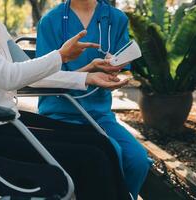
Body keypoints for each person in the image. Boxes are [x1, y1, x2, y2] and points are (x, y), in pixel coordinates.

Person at [0, 0, 132, 199]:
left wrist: (85, 77)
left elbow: (30, 70)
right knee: (91, 157)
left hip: (0, 123)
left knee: (101, 143)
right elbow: (6, 77)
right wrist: (61, 56)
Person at [36, 0, 151, 199]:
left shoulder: (116, 18)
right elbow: (45, 78)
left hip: (100, 115)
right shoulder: (50, 21)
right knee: (111, 153)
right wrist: (89, 71)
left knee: (137, 160)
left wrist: (114, 66)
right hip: (60, 114)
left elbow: (122, 62)